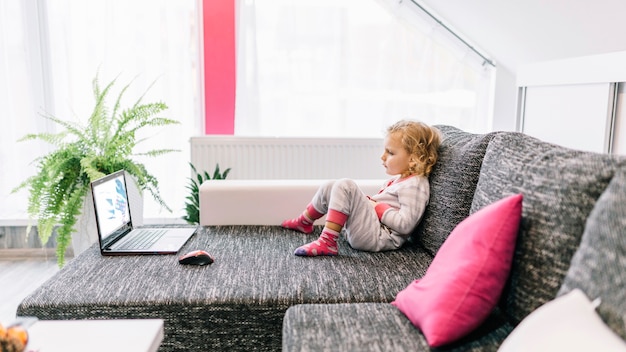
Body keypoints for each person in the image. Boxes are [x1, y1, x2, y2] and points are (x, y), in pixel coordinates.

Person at [282, 119, 441, 256]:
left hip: (378, 237)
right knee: (332, 185)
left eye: (390, 153)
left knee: (346, 185)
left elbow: (406, 225)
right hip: (371, 230)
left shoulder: (416, 185)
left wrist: (378, 207)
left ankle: (327, 241)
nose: (382, 156)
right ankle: (305, 221)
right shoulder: (399, 180)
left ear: (413, 159)